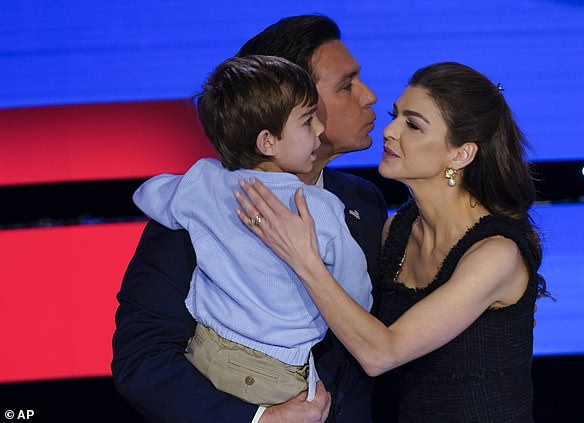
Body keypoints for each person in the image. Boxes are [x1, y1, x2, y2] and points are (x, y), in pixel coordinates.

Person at [235, 62, 548, 422]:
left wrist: (304, 259)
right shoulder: (395, 229)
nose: (389, 131)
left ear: (460, 154)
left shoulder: (495, 253)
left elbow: (381, 353)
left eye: (412, 125)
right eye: (394, 116)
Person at [112, 15, 386, 423]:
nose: (370, 96)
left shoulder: (362, 199)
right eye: (346, 85)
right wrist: (262, 418)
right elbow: (143, 361)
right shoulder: (204, 206)